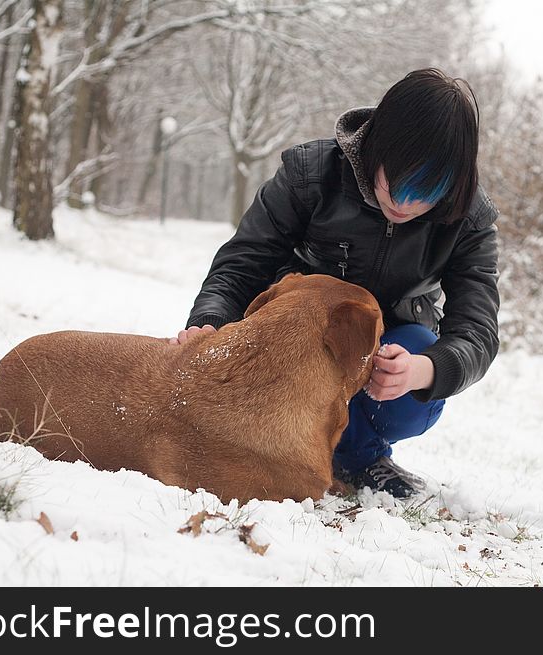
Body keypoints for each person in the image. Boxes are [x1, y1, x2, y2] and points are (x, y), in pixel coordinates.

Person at [172, 68, 500, 498]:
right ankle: (262, 434)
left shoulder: (471, 221)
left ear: (453, 183)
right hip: (292, 341)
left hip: (386, 350)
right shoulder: (310, 174)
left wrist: (422, 370)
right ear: (378, 145)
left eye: (427, 190)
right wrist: (211, 321)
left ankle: (360, 455)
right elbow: (242, 263)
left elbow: (477, 331)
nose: (404, 204)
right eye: (396, 182)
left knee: (418, 355)